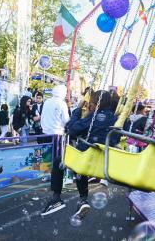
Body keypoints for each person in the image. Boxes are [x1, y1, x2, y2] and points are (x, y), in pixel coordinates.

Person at [42, 90, 117, 219]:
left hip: (86, 157)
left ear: (94, 104)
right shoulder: (114, 118)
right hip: (104, 161)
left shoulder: (94, 116)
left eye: (90, 103)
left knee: (60, 160)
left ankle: (56, 198)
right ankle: (82, 201)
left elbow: (72, 130)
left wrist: (78, 110)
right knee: (79, 169)